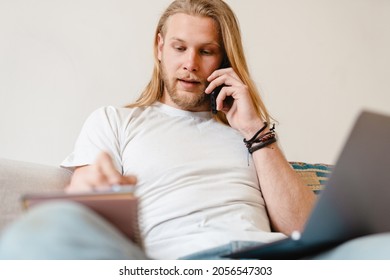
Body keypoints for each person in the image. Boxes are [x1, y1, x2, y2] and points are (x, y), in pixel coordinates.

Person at [1, 0, 389, 260]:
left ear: (224, 57)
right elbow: (81, 211)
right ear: (159, 47)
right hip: (183, 264)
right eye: (179, 48)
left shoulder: (251, 133)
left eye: (206, 51)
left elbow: (303, 228)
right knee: (36, 236)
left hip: (269, 259)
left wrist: (256, 131)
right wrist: (86, 195)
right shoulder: (115, 121)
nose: (190, 64)